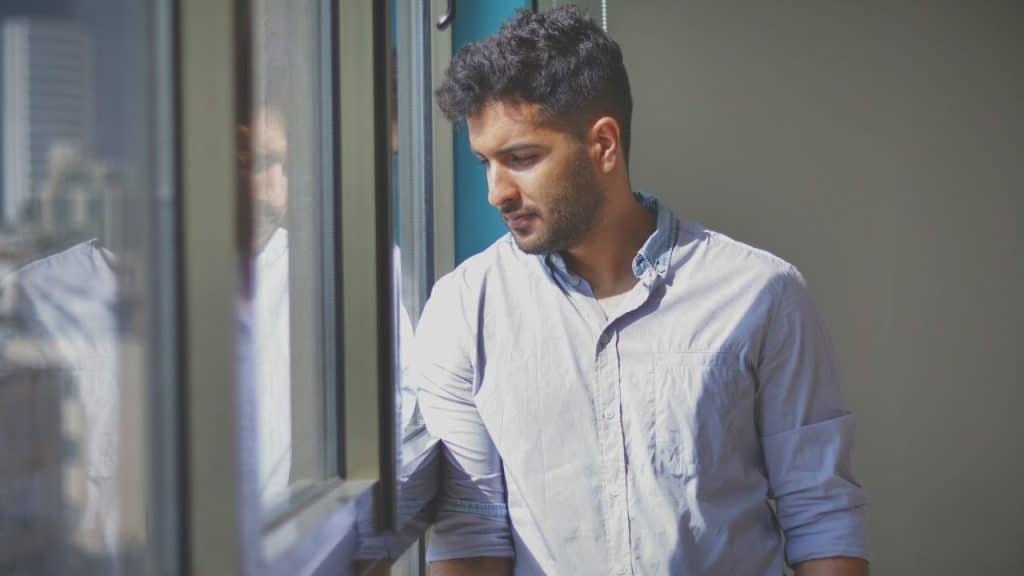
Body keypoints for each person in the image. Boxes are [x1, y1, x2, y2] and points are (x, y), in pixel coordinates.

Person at [416, 6, 869, 575]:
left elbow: (821, 513)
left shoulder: (763, 295)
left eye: (522, 158)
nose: (496, 192)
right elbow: (470, 533)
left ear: (604, 143)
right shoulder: (464, 310)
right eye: (485, 162)